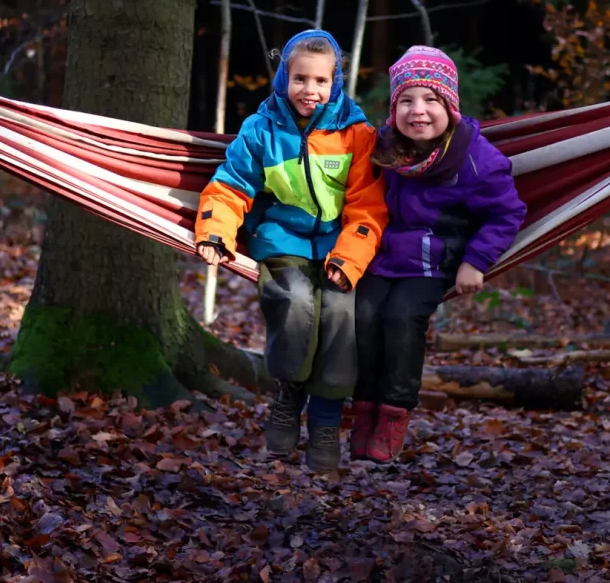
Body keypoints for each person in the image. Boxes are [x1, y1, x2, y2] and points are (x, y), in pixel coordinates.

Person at [195, 29, 387, 472]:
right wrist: (214, 233)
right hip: (283, 239)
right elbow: (230, 185)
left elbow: (368, 207)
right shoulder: (261, 130)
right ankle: (288, 393)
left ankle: (323, 421)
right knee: (295, 301)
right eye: (300, 79)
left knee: (341, 314)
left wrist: (350, 259)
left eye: (321, 81)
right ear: (284, 78)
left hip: (340, 246)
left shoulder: (356, 134)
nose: (310, 90)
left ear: (335, 82)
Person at [350, 46, 527, 463]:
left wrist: (476, 261)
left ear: (451, 104)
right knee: (362, 317)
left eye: (431, 99)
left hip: (434, 262)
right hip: (383, 256)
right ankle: (363, 408)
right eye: (406, 100)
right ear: (393, 109)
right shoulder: (385, 147)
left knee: (401, 319)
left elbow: (507, 213)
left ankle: (394, 413)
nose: (419, 111)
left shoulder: (476, 157)